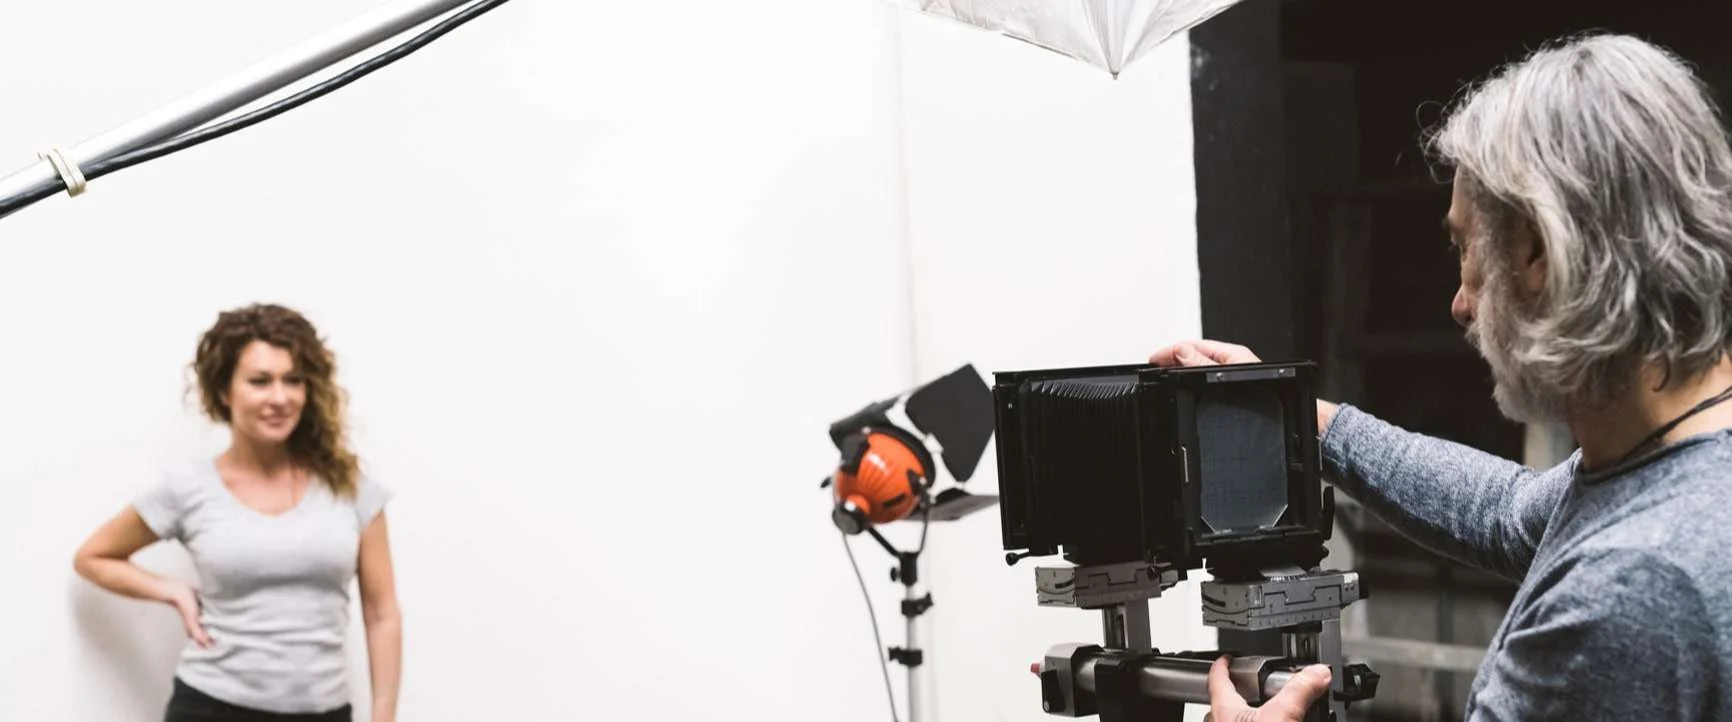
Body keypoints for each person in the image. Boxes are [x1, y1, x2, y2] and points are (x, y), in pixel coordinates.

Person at [1162, 32, 1732, 721]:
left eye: (1465, 247)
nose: (1460, 303)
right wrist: (1302, 420)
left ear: (1538, 250)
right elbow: (1506, 512)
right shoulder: (1671, 467)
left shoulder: (1629, 592)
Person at [72, 303, 401, 722]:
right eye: (260, 381)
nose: (280, 397)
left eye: (293, 380)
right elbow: (93, 557)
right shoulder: (190, 489)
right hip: (211, 707)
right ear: (225, 391)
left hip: (324, 711)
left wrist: (384, 715)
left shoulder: (350, 487)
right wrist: (170, 590)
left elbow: (382, 613)